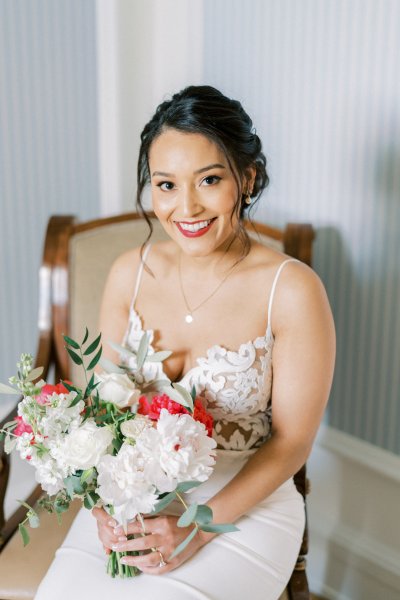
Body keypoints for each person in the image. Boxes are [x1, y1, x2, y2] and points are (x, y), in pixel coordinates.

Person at [35, 85, 335, 600]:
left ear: (247, 178)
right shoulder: (127, 273)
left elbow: (292, 443)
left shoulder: (291, 289)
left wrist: (198, 526)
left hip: (247, 504)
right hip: (135, 496)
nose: (186, 207)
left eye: (210, 180)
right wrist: (104, 507)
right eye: (166, 185)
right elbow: (106, 417)